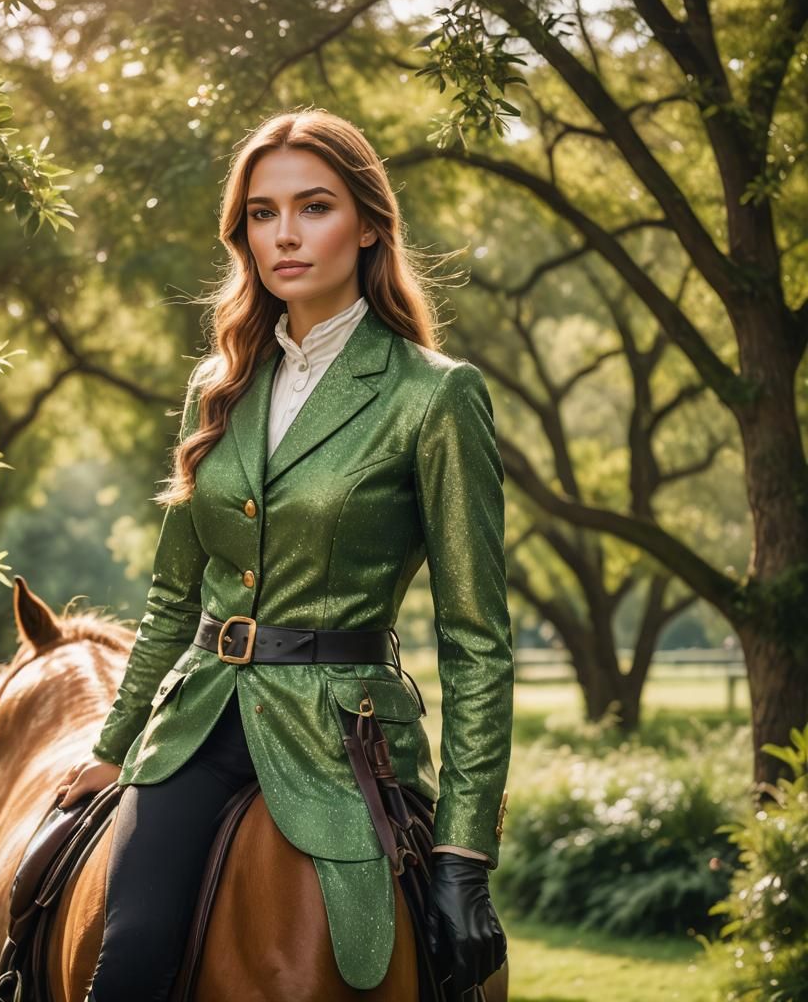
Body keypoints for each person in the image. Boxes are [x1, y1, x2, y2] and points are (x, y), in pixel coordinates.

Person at [58, 107, 513, 1001]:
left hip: (347, 736)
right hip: (197, 723)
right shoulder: (217, 386)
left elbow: (477, 643)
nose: (286, 235)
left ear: (370, 223)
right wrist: (116, 743)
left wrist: (464, 853)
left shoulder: (435, 396)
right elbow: (170, 597)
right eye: (263, 214)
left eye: (314, 207)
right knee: (131, 956)